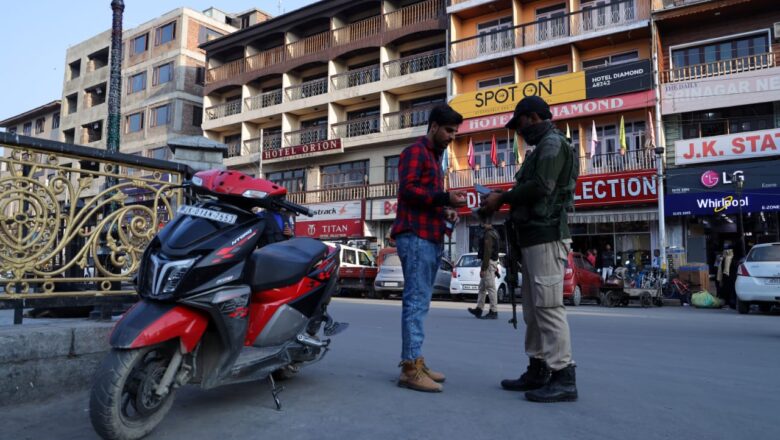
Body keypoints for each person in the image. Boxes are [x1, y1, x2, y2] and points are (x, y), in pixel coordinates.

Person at [481, 95, 579, 403]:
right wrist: (505, 195)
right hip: (534, 238)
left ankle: (563, 376)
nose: (520, 132)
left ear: (534, 118)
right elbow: (531, 187)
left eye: (521, 125)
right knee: (534, 311)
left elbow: (541, 187)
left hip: (547, 236)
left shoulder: (552, 144)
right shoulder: (543, 147)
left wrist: (502, 198)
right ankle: (538, 369)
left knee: (548, 308)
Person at [391, 104, 467, 393]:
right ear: (433, 126)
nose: (452, 136)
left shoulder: (435, 158)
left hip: (429, 235)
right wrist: (445, 198)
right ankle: (410, 369)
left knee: (420, 302)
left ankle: (416, 362)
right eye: (448, 130)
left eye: (455, 132)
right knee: (415, 302)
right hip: (415, 236)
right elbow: (408, 190)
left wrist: (446, 210)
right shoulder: (415, 152)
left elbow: (427, 198)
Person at [468, 213, 500, 320]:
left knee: (490, 287)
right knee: (482, 287)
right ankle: (479, 309)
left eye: (483, 222)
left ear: (487, 223)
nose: (481, 224)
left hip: (488, 263)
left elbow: (487, 253)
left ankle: (493, 311)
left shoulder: (488, 234)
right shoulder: (494, 232)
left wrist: (483, 268)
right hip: (491, 262)